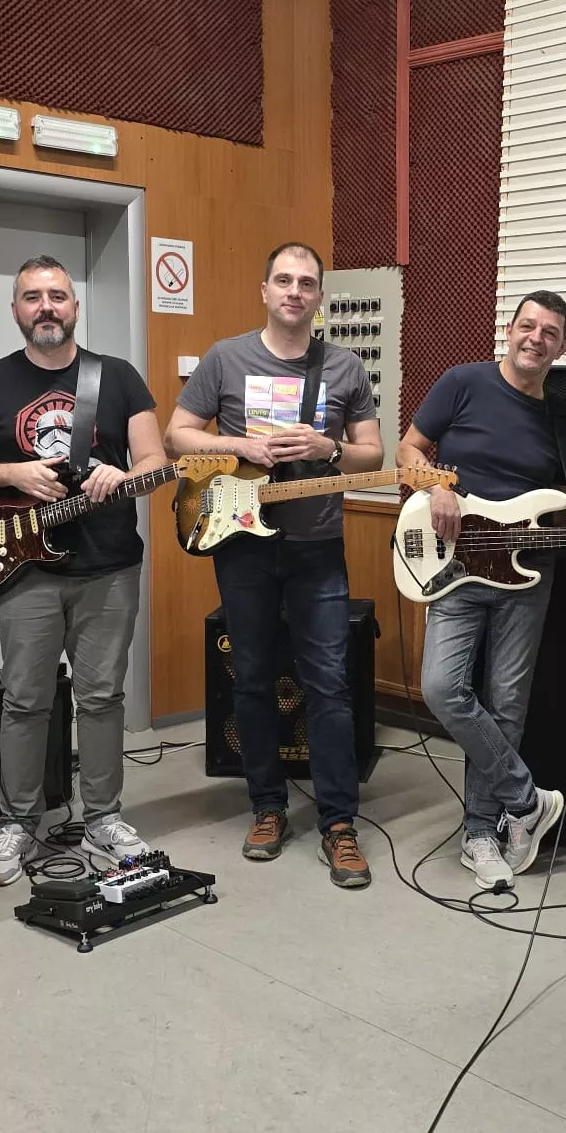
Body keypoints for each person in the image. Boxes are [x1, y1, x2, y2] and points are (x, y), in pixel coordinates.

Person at [165, 242, 383, 888]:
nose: (294, 291)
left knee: (330, 685)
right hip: (243, 544)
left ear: (318, 297)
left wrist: (329, 447)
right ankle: (267, 807)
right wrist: (241, 444)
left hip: (318, 546)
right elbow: (177, 434)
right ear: (264, 291)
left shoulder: (344, 366)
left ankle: (339, 823)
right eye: (283, 280)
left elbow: (372, 454)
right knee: (253, 678)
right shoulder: (226, 357)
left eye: (306, 283)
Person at [0, 257, 163, 884]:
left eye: (58, 296)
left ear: (75, 307)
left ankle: (103, 818)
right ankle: (18, 822)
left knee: (102, 698)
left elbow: (155, 462)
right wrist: (13, 472)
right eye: (33, 296)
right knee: (24, 700)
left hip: (108, 567)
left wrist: (124, 474)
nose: (46, 306)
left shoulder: (117, 377)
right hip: (23, 569)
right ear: (16, 310)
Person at [398, 292, 566, 891]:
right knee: (442, 687)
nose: (535, 338)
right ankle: (528, 800)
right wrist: (436, 486)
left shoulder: (562, 415)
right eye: (528, 325)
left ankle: (480, 832)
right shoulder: (463, 382)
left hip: (527, 574)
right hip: (456, 567)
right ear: (509, 328)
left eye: (549, 332)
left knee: (507, 704)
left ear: (562, 347)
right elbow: (407, 449)